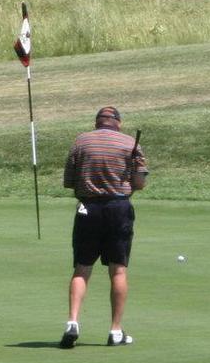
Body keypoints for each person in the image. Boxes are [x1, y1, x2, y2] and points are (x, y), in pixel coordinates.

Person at [60, 106, 147, 348]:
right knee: (118, 270)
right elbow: (139, 183)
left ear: (97, 123)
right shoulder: (130, 143)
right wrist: (128, 174)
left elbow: (69, 182)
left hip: (87, 208)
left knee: (81, 268)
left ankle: (72, 322)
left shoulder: (81, 141)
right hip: (118, 208)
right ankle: (115, 331)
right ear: (117, 123)